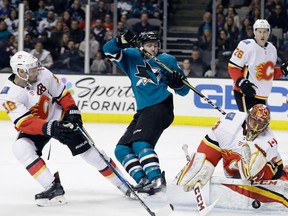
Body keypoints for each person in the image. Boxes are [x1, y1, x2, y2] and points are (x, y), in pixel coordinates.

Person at [0, 51, 131, 207]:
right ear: (20, 71)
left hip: (59, 119)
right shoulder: (8, 94)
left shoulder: (43, 74)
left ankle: (124, 185)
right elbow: (24, 123)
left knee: (90, 153)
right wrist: (50, 127)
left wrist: (72, 110)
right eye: (32, 70)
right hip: (39, 127)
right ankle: (52, 187)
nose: (36, 71)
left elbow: (62, 93)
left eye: (36, 67)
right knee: (20, 148)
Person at [103, 30, 190, 195]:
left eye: (156, 45)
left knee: (140, 144)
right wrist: (121, 40)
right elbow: (108, 50)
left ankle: (157, 179)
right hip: (143, 111)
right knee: (121, 149)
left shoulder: (167, 60)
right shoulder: (130, 56)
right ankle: (143, 180)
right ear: (141, 46)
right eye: (149, 45)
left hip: (161, 106)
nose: (153, 49)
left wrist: (177, 83)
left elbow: (185, 91)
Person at [175, 104, 285, 191]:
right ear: (248, 117)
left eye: (260, 125)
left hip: (260, 174)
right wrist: (198, 163)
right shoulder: (228, 124)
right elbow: (209, 146)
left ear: (266, 126)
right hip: (231, 169)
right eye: (253, 122)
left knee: (253, 164)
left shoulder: (269, 141)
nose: (255, 127)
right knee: (202, 164)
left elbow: (278, 166)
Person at [228, 19, 288, 112]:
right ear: (254, 32)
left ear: (269, 32)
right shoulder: (246, 45)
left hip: (261, 94)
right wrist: (241, 82)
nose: (262, 35)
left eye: (265, 32)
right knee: (248, 123)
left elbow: (268, 73)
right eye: (259, 31)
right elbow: (233, 67)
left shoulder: (272, 49)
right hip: (245, 92)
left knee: (259, 125)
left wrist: (282, 70)